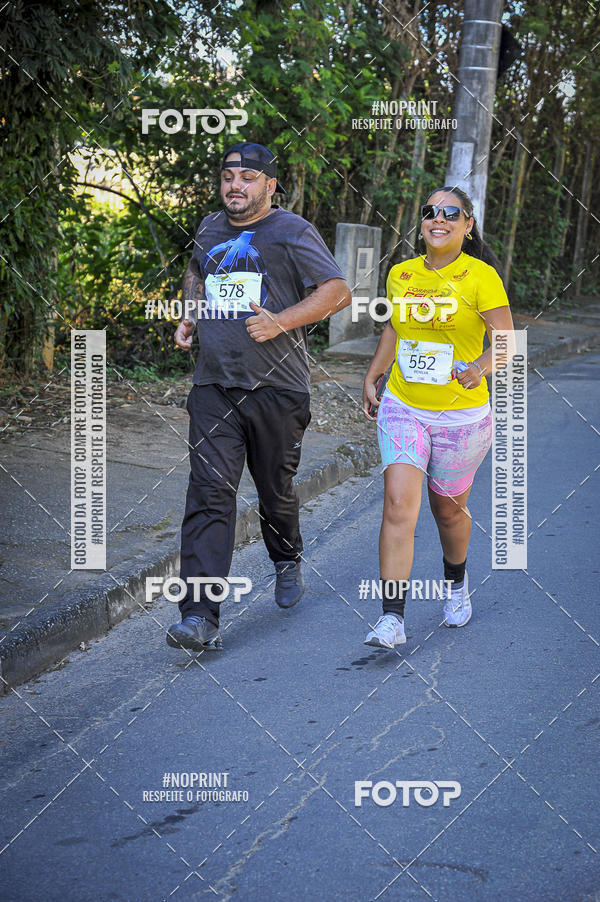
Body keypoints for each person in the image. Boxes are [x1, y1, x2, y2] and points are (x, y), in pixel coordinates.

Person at [166, 141, 352, 651]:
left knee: (274, 492)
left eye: (248, 177)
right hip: (214, 385)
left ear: (270, 185)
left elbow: (337, 291)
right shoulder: (208, 228)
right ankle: (200, 616)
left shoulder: (291, 231)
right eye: (229, 175)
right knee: (209, 495)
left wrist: (281, 321)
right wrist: (189, 312)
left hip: (278, 389)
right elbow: (196, 273)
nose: (235, 185)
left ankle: (287, 556)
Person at [362, 185, 514, 649]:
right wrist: (375, 373)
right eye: (430, 212)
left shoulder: (480, 276)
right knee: (397, 505)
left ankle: (456, 582)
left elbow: (507, 339)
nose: (438, 218)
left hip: (461, 418)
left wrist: (480, 368)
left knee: (448, 512)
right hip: (404, 407)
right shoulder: (402, 273)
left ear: (468, 226)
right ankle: (392, 618)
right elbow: (395, 327)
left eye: (451, 212)